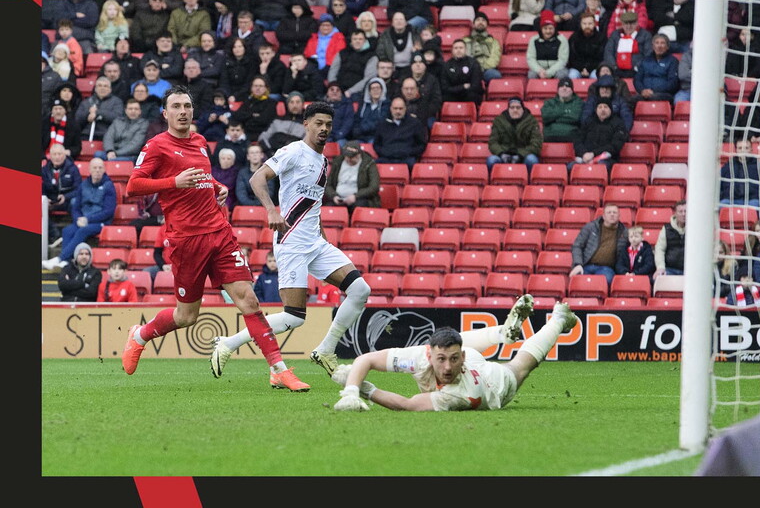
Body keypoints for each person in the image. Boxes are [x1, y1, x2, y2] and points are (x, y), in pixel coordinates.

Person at [121, 85, 310, 390]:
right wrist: (174, 182)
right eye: (177, 107)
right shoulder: (157, 146)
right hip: (187, 240)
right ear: (165, 113)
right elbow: (133, 185)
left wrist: (215, 187)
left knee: (248, 300)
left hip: (219, 232)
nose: (183, 112)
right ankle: (140, 335)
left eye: (187, 106)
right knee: (187, 317)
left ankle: (279, 369)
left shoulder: (199, 141)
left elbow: (200, 176)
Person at [210, 101, 373, 384]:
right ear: (306, 124)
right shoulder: (293, 151)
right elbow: (258, 178)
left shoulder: (323, 162)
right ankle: (228, 343)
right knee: (294, 317)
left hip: (316, 243)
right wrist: (272, 210)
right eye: (318, 123)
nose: (324, 129)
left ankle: (325, 350)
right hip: (292, 242)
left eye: (328, 125)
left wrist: (322, 235)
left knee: (360, 289)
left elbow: (313, 204)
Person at [332, 297, 578, 412]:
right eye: (441, 360)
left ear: (460, 359)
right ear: (429, 356)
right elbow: (366, 359)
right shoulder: (420, 356)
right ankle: (502, 333)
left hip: (492, 382)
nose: (447, 367)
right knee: (455, 341)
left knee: (521, 366)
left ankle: (558, 319)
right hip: (468, 353)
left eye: (452, 359)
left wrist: (365, 389)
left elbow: (407, 405)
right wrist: (351, 391)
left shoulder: (455, 396)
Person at [42, 157, 117, 271]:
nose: (97, 170)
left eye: (100, 168)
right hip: (83, 220)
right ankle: (66, 262)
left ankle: (59, 259)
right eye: (95, 168)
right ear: (89, 170)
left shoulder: (109, 186)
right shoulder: (83, 185)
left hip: (100, 222)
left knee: (83, 230)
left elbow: (108, 211)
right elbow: (76, 207)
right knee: (67, 230)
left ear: (104, 170)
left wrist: (87, 219)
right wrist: (78, 219)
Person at [569, 203, 629, 286]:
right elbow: (577, 246)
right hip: (586, 265)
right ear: (603, 216)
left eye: (614, 213)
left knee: (604, 281)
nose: (612, 215)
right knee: (578, 282)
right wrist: (577, 264)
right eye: (609, 212)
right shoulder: (590, 227)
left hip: (607, 268)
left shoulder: (625, 233)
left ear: (619, 216)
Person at [487, 97, 542, 172]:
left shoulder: (532, 122)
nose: (515, 110)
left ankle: (528, 181)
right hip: (504, 154)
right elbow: (493, 142)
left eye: (518, 107)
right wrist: (501, 154)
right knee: (491, 160)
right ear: (508, 109)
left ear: (523, 109)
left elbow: (536, 144)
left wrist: (520, 155)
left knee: (532, 160)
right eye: (512, 107)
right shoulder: (499, 121)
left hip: (524, 155)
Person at [718, 139, 760, 208]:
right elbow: (717, 186)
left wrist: (759, 197)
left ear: (751, 150)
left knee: (754, 205)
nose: (743, 151)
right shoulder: (728, 166)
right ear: (736, 150)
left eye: (746, 148)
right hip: (730, 201)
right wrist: (725, 195)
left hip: (753, 201)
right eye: (740, 148)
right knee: (722, 205)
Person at [42, 143, 82, 246]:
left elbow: (79, 189)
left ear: (64, 155)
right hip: (51, 201)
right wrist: (45, 199)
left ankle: (76, 232)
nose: (57, 157)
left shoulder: (73, 169)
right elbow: (40, 187)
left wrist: (66, 197)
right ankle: (54, 234)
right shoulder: (44, 170)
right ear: (50, 156)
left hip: (68, 201)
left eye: (59, 154)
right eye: (54, 154)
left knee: (75, 202)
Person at [571, 98, 627, 171]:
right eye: (600, 107)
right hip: (585, 157)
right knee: (570, 167)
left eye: (605, 107)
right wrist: (584, 153)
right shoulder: (589, 121)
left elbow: (615, 146)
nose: (603, 110)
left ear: (611, 109)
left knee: (600, 167)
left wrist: (593, 154)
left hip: (607, 159)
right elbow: (578, 140)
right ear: (596, 110)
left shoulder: (618, 124)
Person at [324, 140, 381, 212]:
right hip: (339, 198)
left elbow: (374, 187)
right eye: (347, 157)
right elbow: (328, 185)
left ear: (359, 154)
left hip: (360, 198)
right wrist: (333, 196)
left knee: (359, 206)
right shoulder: (338, 162)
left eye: (351, 157)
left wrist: (356, 196)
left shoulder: (369, 163)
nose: (348, 159)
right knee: (328, 208)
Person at [372, 96, 428, 170]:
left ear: (405, 109)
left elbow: (421, 144)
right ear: (391, 109)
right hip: (386, 158)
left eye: (400, 108)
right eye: (395, 108)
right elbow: (376, 144)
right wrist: (385, 152)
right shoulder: (382, 124)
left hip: (406, 159)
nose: (398, 111)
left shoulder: (415, 123)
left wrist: (408, 152)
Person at [328, 29, 378, 100]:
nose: (357, 41)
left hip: (359, 93)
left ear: (365, 41)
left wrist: (351, 91)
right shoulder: (342, 53)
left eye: (360, 39)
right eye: (355, 39)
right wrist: (333, 87)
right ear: (351, 40)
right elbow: (333, 70)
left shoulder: (372, 56)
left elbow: (368, 78)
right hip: (339, 90)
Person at [602, 10, 652, 80]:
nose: (629, 26)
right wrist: (614, 67)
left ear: (637, 23)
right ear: (622, 24)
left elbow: (648, 54)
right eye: (626, 23)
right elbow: (608, 52)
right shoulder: (615, 35)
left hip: (637, 71)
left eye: (632, 23)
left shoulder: (645, 35)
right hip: (616, 71)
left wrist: (637, 68)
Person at [633, 33, 680, 102]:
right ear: (653, 46)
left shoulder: (672, 61)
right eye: (657, 43)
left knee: (653, 98)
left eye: (662, 43)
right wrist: (642, 90)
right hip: (645, 93)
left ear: (667, 46)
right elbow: (637, 79)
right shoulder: (645, 60)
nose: (659, 46)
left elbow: (673, 83)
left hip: (663, 94)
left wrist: (654, 91)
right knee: (630, 100)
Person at [77, 76, 124, 142]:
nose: (102, 88)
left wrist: (98, 113)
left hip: (108, 135)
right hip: (87, 134)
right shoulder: (86, 102)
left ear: (110, 89)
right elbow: (77, 118)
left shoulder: (116, 102)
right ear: (95, 88)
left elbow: (118, 117)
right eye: (99, 86)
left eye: (105, 86)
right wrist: (88, 115)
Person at [232, 75, 278, 143]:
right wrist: (252, 115)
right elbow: (237, 115)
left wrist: (247, 117)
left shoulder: (271, 103)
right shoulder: (248, 101)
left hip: (261, 134)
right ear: (251, 88)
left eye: (260, 86)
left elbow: (264, 120)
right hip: (245, 133)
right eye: (255, 86)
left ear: (266, 88)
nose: (257, 88)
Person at [259, 90, 306, 155]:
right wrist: (270, 152)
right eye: (291, 102)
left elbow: (306, 146)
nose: (295, 105)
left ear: (302, 104)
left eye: (298, 102)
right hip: (272, 155)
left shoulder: (307, 124)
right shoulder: (277, 120)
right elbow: (263, 137)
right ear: (287, 105)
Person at [304, 13, 347, 83]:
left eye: (328, 25)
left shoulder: (339, 38)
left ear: (332, 26)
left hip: (330, 67)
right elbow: (307, 53)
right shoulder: (313, 38)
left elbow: (339, 55)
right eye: (323, 25)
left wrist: (327, 66)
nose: (325, 28)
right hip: (314, 67)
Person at [462, 11, 502, 84]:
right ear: (473, 24)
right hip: (470, 70)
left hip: (486, 70)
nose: (480, 22)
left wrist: (481, 68)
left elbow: (495, 58)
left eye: (483, 20)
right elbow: (462, 57)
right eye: (478, 20)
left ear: (487, 25)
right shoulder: (465, 40)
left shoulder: (493, 41)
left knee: (495, 74)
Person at [526, 10, 569, 79]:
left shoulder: (562, 40)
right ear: (541, 29)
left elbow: (562, 60)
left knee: (561, 74)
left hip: (557, 68)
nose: (548, 31)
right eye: (545, 28)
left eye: (550, 28)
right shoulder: (533, 40)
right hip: (540, 68)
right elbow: (531, 58)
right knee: (532, 74)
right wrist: (539, 70)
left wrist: (549, 72)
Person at [440, 39, 484, 106]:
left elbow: (476, 85)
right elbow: (445, 87)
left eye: (461, 48)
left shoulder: (473, 63)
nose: (458, 50)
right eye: (456, 48)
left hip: (468, 94)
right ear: (452, 50)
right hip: (453, 95)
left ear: (465, 50)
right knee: (445, 97)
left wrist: (458, 89)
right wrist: (463, 87)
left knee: (472, 96)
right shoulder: (446, 65)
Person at [541, 77, 584, 143]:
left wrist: (554, 118)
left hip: (572, 136)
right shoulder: (549, 102)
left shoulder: (578, 102)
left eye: (567, 86)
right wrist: (565, 111)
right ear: (558, 90)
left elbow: (576, 118)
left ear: (572, 90)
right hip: (550, 135)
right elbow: (545, 117)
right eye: (561, 86)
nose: (564, 88)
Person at [404, 52, 443, 125]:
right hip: (405, 115)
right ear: (411, 66)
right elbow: (399, 98)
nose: (418, 65)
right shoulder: (404, 79)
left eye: (421, 62)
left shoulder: (432, 80)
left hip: (427, 116)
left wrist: (420, 115)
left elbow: (436, 102)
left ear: (425, 65)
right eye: (415, 63)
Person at [567, 12, 606, 80]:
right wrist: (582, 69)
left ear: (594, 24)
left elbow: (601, 57)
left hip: (595, 68)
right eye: (584, 23)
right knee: (572, 76)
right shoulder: (574, 38)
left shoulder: (601, 38)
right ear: (580, 24)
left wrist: (588, 69)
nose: (587, 26)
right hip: (577, 68)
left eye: (590, 23)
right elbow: (571, 57)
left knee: (596, 76)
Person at [350, 77, 390, 143]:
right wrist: (356, 130)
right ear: (369, 91)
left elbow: (380, 122)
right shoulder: (363, 105)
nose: (375, 90)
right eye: (373, 88)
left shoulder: (386, 105)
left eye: (378, 88)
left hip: (376, 137)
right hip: (361, 137)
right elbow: (357, 120)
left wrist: (362, 128)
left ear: (382, 90)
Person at [654, 200, 687, 278]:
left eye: (686, 211)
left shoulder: (695, 229)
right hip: (670, 269)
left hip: (690, 270)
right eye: (680, 211)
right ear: (675, 213)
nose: (683, 214)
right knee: (658, 279)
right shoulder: (666, 229)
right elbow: (660, 249)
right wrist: (660, 267)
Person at [220, 36, 258, 104]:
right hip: (228, 93)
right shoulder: (226, 61)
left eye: (240, 46)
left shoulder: (251, 62)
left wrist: (235, 96)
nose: (237, 49)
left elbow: (248, 83)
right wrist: (228, 95)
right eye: (234, 47)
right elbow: (224, 81)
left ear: (244, 48)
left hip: (245, 93)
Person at [211, 147, 240, 212]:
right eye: (223, 158)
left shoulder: (236, 172)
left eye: (228, 159)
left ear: (233, 161)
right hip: (212, 195)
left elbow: (229, 185)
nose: (225, 160)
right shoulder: (213, 170)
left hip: (228, 197)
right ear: (219, 159)